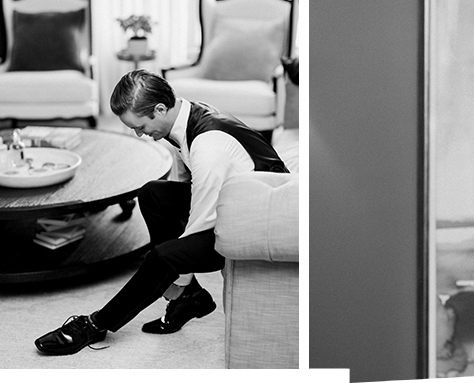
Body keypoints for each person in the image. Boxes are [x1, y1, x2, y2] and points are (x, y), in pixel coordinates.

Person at [34, 69, 289, 355]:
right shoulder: (188, 114)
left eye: (140, 126)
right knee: (153, 194)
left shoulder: (209, 144)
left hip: (260, 221)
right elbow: (187, 183)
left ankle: (96, 324)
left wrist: (175, 273)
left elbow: (201, 222)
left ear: (160, 109)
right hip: (237, 200)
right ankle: (189, 299)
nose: (139, 134)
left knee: (164, 257)